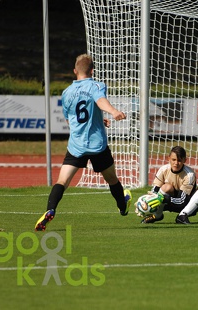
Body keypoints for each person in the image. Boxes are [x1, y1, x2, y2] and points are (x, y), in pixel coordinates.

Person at [35, 54, 132, 231]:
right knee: (112, 179)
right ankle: (122, 206)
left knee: (62, 181)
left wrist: (97, 119)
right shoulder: (97, 85)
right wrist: (113, 111)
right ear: (92, 70)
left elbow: (71, 119)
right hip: (97, 145)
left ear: (74, 71)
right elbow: (100, 101)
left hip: (76, 145)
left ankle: (50, 209)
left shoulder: (66, 92)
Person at [138, 146, 198, 224]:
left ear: (184, 160)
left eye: (179, 160)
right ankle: (157, 215)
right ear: (169, 158)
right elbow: (154, 192)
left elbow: (183, 201)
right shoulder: (163, 170)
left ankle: (182, 216)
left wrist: (164, 199)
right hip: (167, 203)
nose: (176, 163)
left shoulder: (189, 174)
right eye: (173, 160)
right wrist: (144, 204)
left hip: (186, 205)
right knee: (166, 187)